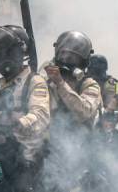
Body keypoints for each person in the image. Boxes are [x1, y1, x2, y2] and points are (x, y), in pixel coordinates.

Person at [0, 25, 50, 192]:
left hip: (26, 153)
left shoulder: (34, 81)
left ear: (15, 53)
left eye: (0, 52)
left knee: (18, 188)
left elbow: (41, 114)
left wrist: (21, 122)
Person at [42, 31, 101, 191]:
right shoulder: (46, 82)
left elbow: (85, 111)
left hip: (78, 155)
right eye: (64, 55)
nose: (66, 61)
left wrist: (61, 83)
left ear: (83, 61)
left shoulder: (89, 85)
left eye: (73, 58)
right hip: (48, 152)